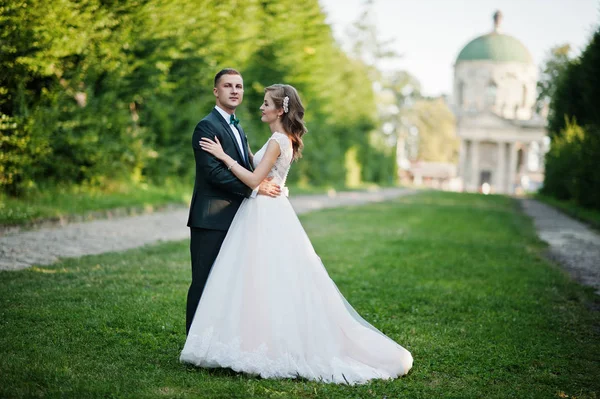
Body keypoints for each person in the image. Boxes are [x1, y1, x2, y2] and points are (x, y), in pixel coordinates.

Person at [180, 83, 413, 384]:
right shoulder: (278, 138)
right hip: (268, 211)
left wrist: (224, 156)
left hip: (265, 212)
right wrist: (241, 153)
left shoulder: (278, 140)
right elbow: (256, 165)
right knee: (260, 278)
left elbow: (252, 178)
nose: (261, 107)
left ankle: (260, 341)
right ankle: (251, 337)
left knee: (259, 278)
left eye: (266, 104)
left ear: (280, 109)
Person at [185, 68, 281, 335]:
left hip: (237, 218)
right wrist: (255, 188)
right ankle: (194, 342)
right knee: (204, 281)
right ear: (216, 91)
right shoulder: (206, 126)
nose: (235, 90)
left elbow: (248, 165)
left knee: (228, 283)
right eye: (228, 86)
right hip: (212, 218)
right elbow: (212, 173)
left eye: (239, 86)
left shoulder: (238, 127)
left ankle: (219, 339)